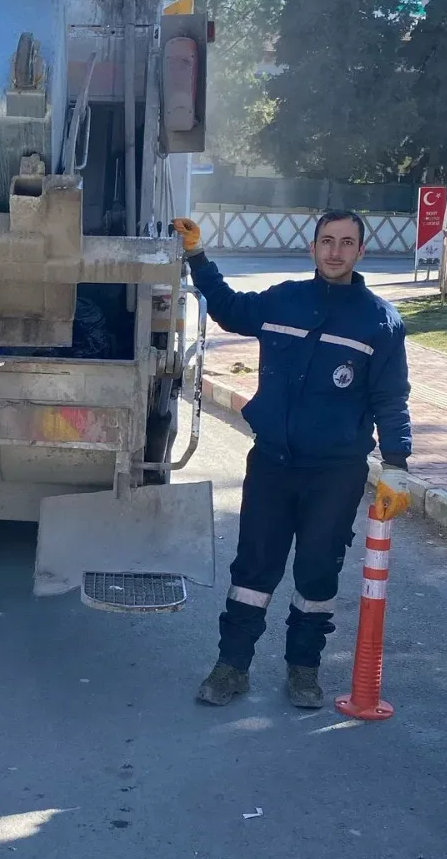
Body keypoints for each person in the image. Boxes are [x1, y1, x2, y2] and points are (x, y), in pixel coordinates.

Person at [171, 210, 412, 709]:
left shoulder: (380, 322)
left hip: (336, 472)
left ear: (361, 251)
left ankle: (304, 669)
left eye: (347, 243)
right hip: (274, 464)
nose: (335, 251)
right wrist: (197, 256)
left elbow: (391, 398)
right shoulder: (285, 299)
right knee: (253, 569)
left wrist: (396, 464)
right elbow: (231, 309)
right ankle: (231, 666)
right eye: (327, 241)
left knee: (318, 573)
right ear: (313, 247)